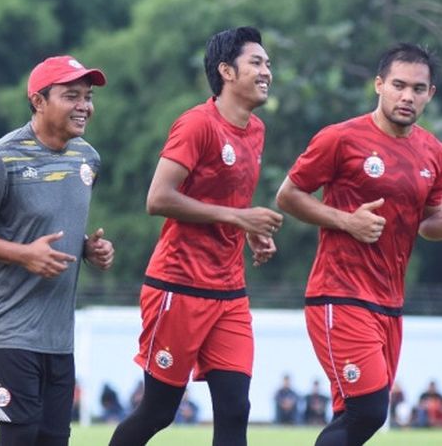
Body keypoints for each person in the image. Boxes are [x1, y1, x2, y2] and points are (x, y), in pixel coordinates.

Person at [109, 26, 283, 446]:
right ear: (226, 70)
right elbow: (158, 198)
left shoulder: (256, 130)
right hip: (178, 286)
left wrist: (249, 233)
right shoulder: (196, 125)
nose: (267, 72)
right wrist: (240, 218)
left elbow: (227, 203)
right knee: (159, 411)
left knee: (235, 409)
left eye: (268, 64)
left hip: (229, 293)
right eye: (256, 63)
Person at [0, 55, 115, 446]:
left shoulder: (87, 158)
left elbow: (51, 224)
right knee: (20, 437)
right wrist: (24, 254)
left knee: (53, 440)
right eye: (72, 96)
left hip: (57, 334)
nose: (85, 106)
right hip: (5, 329)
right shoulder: (0, 159)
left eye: (87, 96)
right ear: (38, 101)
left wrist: (89, 248)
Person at [275, 43, 441, 445]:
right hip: (340, 294)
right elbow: (288, 195)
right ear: (379, 85)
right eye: (399, 85)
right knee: (369, 410)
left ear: (430, 94)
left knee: (354, 415)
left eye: (418, 89)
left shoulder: (432, 150)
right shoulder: (340, 139)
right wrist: (346, 221)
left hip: (389, 302)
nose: (408, 96)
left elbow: (430, 225)